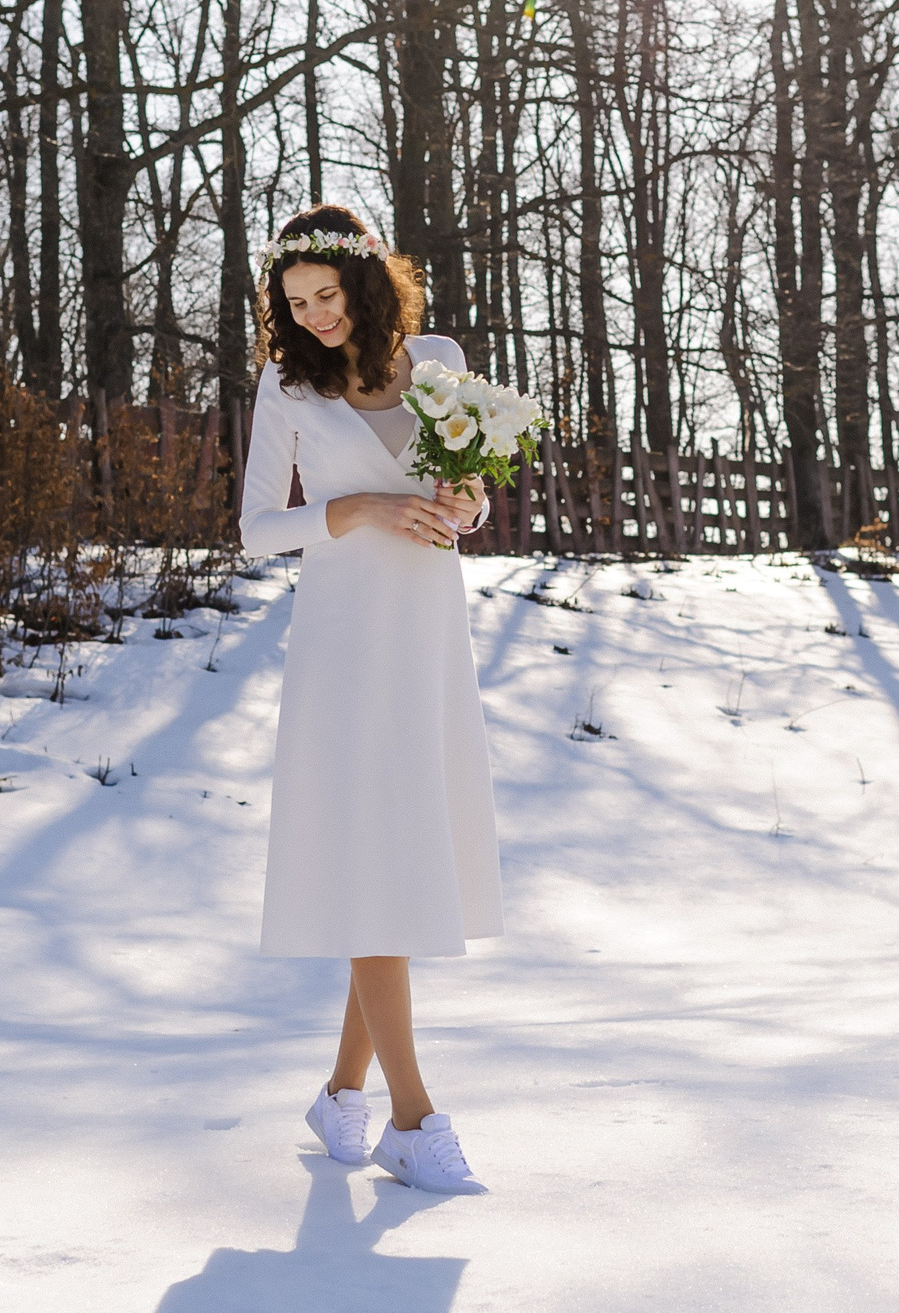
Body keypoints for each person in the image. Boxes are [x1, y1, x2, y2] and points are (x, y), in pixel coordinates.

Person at [237, 203, 501, 1197]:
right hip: (344, 642)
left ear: (368, 283)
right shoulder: (288, 382)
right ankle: (410, 1117)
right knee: (375, 855)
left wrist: (465, 505)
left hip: (428, 634)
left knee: (397, 855)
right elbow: (257, 530)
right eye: (294, 304)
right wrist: (355, 507)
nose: (312, 318)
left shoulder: (436, 356)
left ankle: (342, 1094)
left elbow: (466, 488)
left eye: (326, 296)